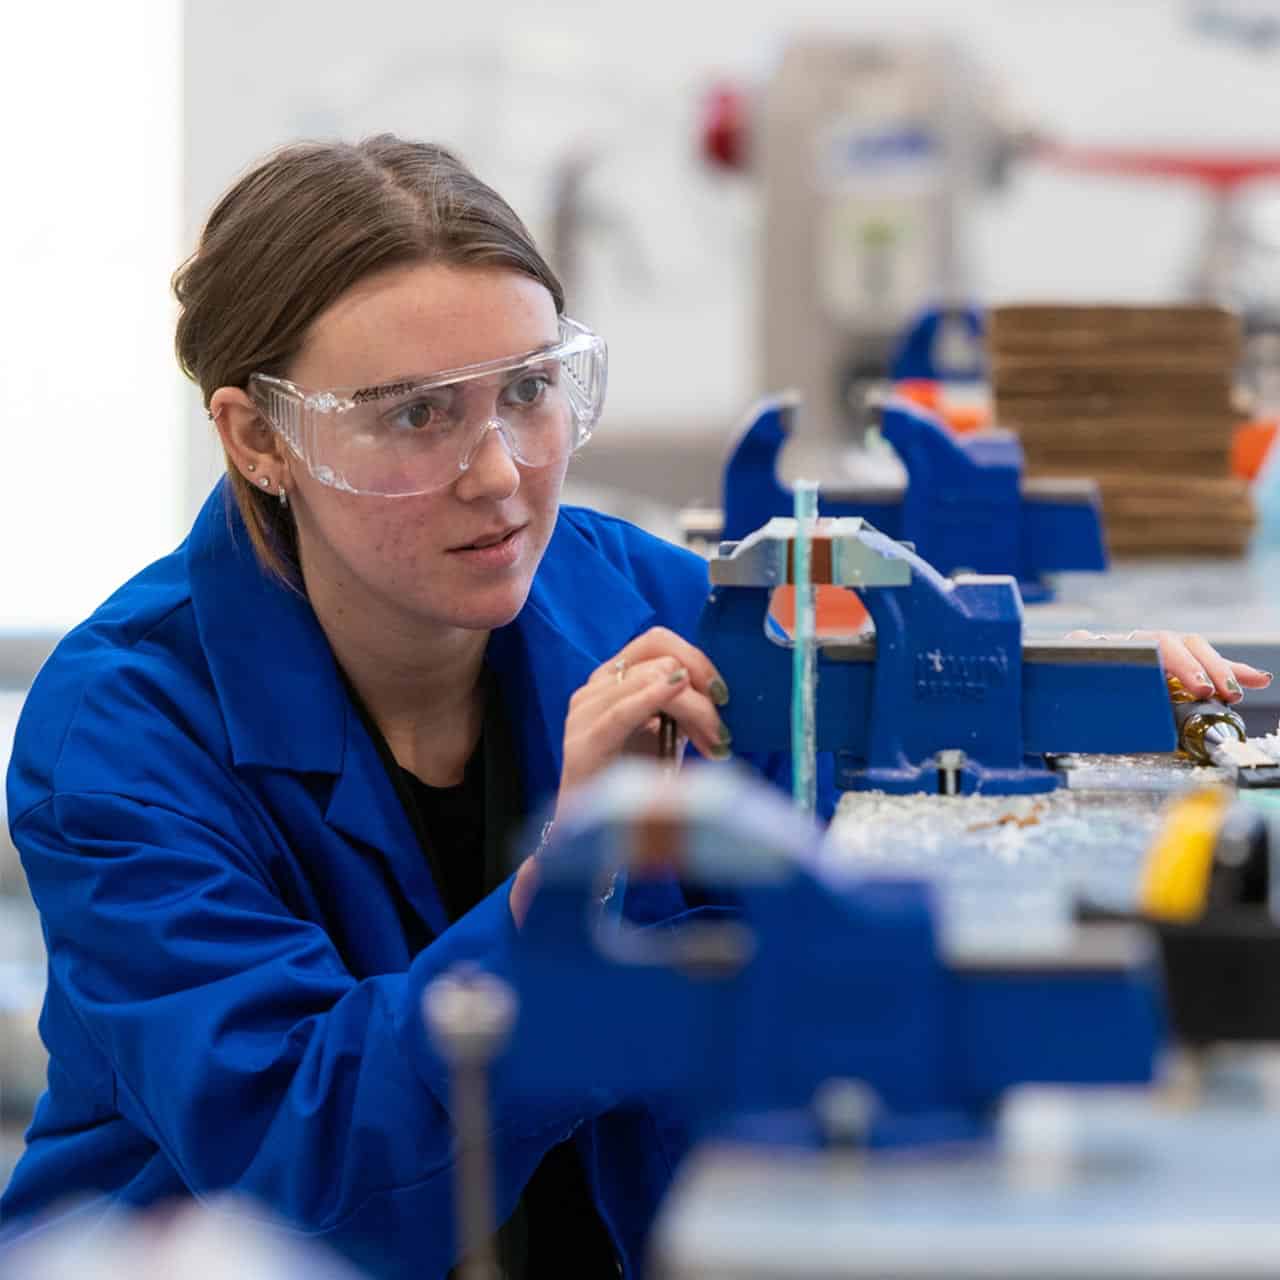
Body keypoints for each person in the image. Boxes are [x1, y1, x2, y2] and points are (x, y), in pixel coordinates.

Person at [0, 135, 1269, 1280]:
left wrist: (1057, 684)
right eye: (415, 415)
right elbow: (306, 1167)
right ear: (258, 438)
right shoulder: (119, 734)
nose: (497, 474)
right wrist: (565, 877)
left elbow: (836, 762)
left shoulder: (626, 594)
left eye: (527, 391)